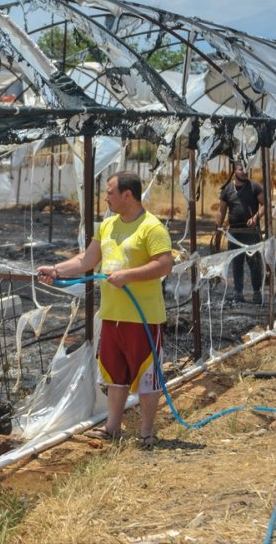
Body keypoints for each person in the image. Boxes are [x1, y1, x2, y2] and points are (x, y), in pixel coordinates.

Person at [37, 171, 173, 447]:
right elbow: (86, 260)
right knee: (115, 374)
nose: (105, 197)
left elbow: (164, 264)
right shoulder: (107, 226)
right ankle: (112, 428)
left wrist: (128, 275)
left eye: (110, 192)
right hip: (112, 316)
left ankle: (147, 432)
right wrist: (55, 269)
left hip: (143, 318)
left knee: (147, 377)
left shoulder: (152, 227)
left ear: (127, 195)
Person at [214, 161, 266, 305]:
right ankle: (238, 292)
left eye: (246, 168)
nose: (244, 171)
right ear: (234, 171)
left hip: (250, 231)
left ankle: (256, 293)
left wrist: (255, 217)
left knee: (253, 261)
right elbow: (221, 211)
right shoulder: (227, 190)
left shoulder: (254, 187)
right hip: (234, 232)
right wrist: (218, 227)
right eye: (241, 169)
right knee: (237, 262)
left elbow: (265, 204)